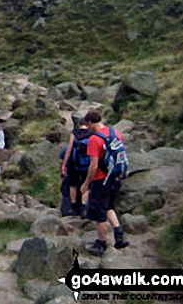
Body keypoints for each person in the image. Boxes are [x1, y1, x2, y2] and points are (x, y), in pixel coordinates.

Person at [81, 110, 129, 257]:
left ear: (90, 123)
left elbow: (94, 166)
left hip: (101, 180)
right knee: (109, 207)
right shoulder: (114, 133)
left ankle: (101, 243)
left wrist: (86, 183)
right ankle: (119, 233)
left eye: (87, 125)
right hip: (115, 177)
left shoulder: (94, 140)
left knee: (99, 213)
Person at [61, 118, 91, 217]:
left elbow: (69, 150)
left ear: (78, 124)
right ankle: (84, 208)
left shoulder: (75, 133)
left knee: (73, 185)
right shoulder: (92, 134)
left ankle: (73, 207)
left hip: (75, 165)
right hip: (88, 164)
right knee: (86, 187)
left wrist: (64, 164)